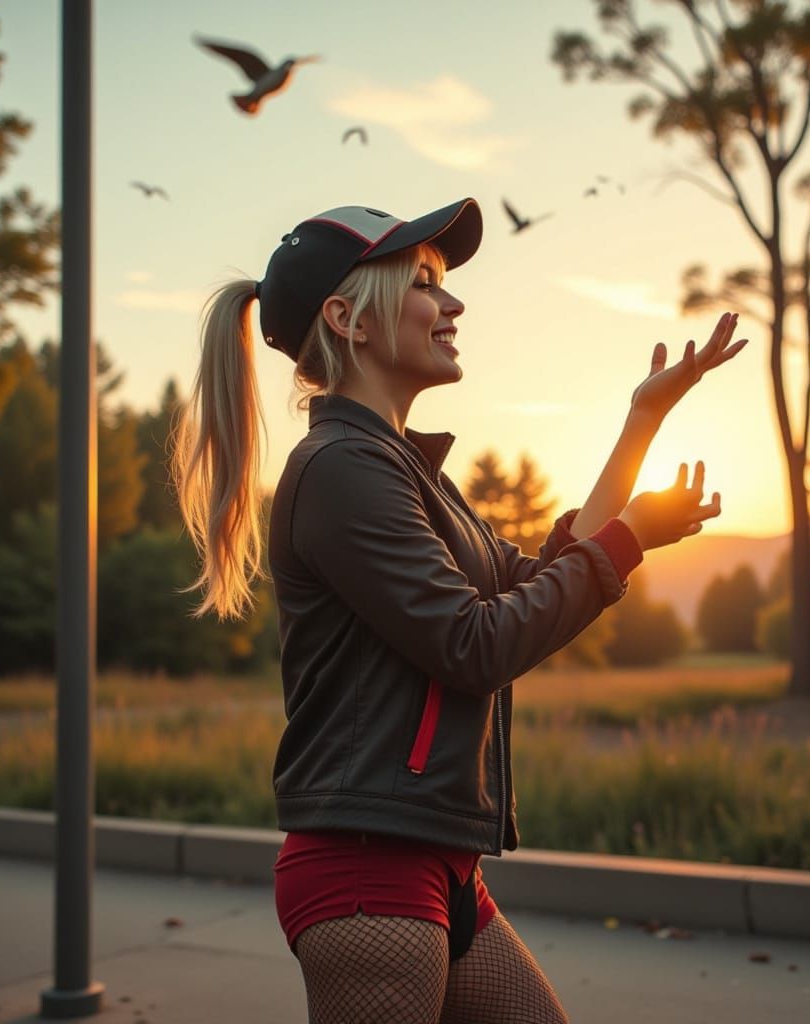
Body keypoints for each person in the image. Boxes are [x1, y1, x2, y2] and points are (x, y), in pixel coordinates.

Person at [170, 197, 747, 1024]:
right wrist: (625, 541)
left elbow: (539, 577)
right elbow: (477, 645)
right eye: (426, 284)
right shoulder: (341, 468)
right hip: (368, 871)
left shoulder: (405, 473)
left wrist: (640, 423)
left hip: (438, 862)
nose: (454, 304)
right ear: (348, 319)